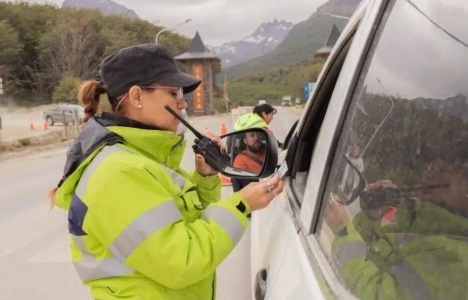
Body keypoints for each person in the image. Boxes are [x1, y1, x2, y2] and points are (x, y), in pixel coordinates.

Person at [48, 43, 283, 300]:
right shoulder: (118, 172)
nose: (183, 104)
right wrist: (242, 205)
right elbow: (182, 261)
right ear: (137, 97)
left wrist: (204, 178)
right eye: (173, 93)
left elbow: (178, 226)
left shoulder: (139, 159)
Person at [325, 137, 468, 300]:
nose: (429, 170)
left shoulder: (460, 264)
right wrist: (371, 218)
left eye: (441, 167)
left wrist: (343, 230)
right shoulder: (420, 220)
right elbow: (368, 254)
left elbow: (372, 294)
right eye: (432, 163)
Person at [231, 103, 281, 192]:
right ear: (264, 114)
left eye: (257, 136)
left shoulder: (250, 118)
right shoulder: (260, 124)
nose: (272, 118)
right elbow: (270, 138)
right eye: (271, 115)